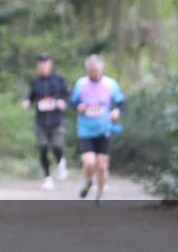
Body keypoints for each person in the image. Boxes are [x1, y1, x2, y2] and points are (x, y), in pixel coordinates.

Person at [70, 54, 125, 204]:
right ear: (88, 70)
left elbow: (121, 102)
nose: (94, 73)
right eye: (91, 70)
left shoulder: (110, 84)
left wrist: (117, 112)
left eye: (96, 70)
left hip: (104, 129)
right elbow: (73, 102)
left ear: (101, 68)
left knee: (101, 164)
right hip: (86, 130)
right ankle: (88, 182)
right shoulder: (81, 84)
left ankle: (99, 195)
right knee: (89, 162)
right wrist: (78, 107)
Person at [21, 52, 70, 190]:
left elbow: (67, 95)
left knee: (56, 147)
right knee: (42, 149)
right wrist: (27, 102)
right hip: (41, 121)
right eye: (41, 64)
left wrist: (62, 102)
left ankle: (61, 162)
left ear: (50, 64)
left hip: (56, 121)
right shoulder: (35, 81)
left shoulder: (59, 80)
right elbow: (30, 96)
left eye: (46, 63)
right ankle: (47, 177)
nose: (43, 66)